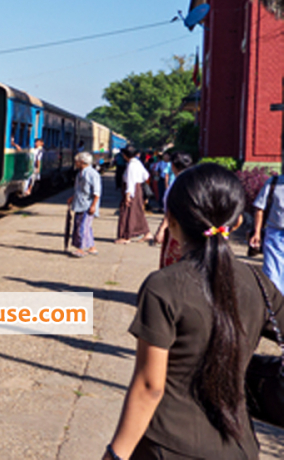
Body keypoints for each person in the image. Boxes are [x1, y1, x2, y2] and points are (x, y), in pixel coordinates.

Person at [103, 164, 284, 460]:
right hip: (239, 447)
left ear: (171, 219)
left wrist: (116, 454)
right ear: (237, 222)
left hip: (167, 445)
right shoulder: (259, 283)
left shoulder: (162, 287)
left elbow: (150, 387)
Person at [152, 152, 193, 268]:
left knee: (173, 263)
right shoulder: (194, 183)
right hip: (192, 229)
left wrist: (161, 229)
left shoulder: (177, 184)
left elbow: (171, 210)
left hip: (177, 229)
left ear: (173, 166)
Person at [249, 171, 284, 295]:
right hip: (275, 235)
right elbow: (260, 208)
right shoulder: (273, 182)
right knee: (272, 275)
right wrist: (257, 232)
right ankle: (274, 308)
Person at [67, 151, 101, 257]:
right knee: (84, 226)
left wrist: (93, 206)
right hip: (79, 203)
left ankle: (80, 249)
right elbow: (79, 189)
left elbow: (97, 192)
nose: (75, 163)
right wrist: (73, 197)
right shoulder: (80, 173)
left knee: (82, 227)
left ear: (82, 162)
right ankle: (92, 247)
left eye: (76, 161)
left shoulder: (92, 174)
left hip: (88, 204)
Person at [116, 146, 152, 244]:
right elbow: (146, 175)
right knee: (137, 211)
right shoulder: (138, 163)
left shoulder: (132, 165)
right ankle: (146, 232)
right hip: (138, 189)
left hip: (132, 190)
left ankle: (126, 236)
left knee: (127, 212)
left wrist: (128, 194)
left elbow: (130, 181)